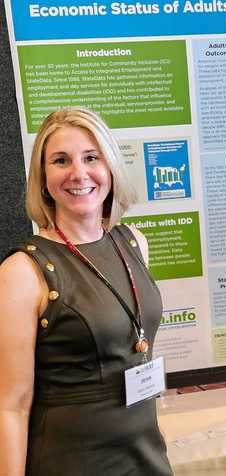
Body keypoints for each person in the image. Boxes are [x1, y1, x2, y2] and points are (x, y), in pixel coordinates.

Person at [0, 108, 173, 476]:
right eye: (61, 160)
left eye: (91, 157)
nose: (79, 173)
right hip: (71, 462)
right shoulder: (21, 272)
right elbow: (10, 406)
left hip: (145, 456)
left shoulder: (134, 244)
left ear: (110, 167)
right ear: (43, 178)